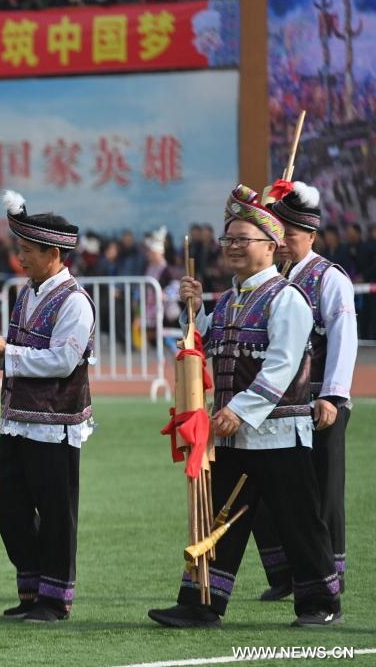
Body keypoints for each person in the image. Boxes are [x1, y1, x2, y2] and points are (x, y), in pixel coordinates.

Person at [148, 184, 342, 628]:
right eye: (228, 240)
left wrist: (239, 410)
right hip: (234, 432)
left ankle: (320, 604)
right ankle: (200, 603)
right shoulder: (232, 299)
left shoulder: (285, 298)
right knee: (219, 518)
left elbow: (281, 367)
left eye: (243, 240)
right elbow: (202, 343)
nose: (233, 247)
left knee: (298, 519)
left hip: (277, 432)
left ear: (272, 246)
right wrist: (191, 311)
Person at [0, 191, 94, 623]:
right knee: (9, 505)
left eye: (26, 250)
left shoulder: (75, 301)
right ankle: (32, 589)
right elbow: (16, 347)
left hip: (55, 424)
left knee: (58, 514)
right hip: (18, 420)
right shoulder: (27, 294)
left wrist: (5, 353)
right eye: (19, 248)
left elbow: (63, 359)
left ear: (53, 253)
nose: (19, 257)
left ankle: (54, 600)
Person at [251, 181, 357, 600]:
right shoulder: (269, 281)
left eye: (291, 233)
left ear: (311, 236)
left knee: (321, 493)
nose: (283, 241)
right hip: (277, 405)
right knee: (272, 492)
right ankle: (287, 574)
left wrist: (331, 396)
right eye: (278, 232)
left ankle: (329, 577)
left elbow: (344, 338)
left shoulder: (329, 278)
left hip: (317, 401)